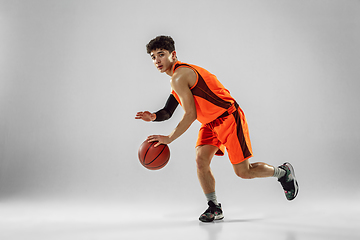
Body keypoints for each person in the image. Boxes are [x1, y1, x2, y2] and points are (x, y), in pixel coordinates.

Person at [135, 35, 299, 222]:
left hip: (229, 118)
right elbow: (168, 111)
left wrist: (169, 138)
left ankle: (283, 172)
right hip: (211, 123)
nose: (157, 60)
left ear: (173, 54)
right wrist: (154, 116)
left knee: (243, 172)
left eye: (161, 55)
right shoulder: (177, 78)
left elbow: (191, 115)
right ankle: (214, 207)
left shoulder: (180, 76)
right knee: (200, 160)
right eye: (153, 56)